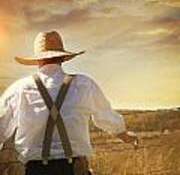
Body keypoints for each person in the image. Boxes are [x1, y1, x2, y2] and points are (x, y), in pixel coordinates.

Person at [0, 30, 138, 175]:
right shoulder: (84, 84)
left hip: (36, 169)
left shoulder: (19, 88)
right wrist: (124, 135)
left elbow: (1, 126)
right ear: (63, 58)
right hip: (74, 168)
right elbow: (105, 116)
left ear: (38, 60)